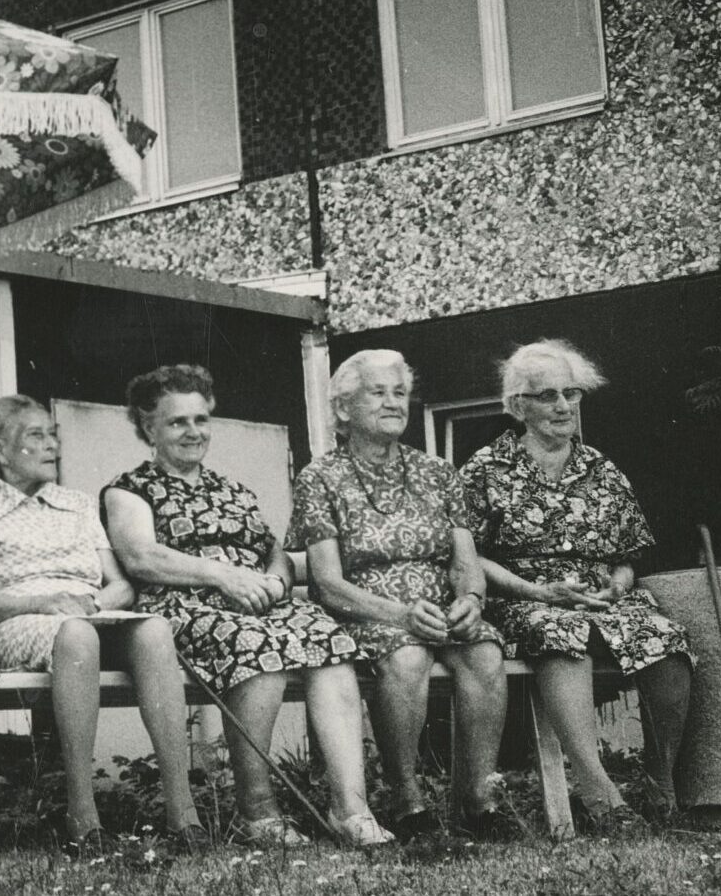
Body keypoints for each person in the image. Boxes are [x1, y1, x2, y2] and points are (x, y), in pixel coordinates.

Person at [102, 364, 391, 848]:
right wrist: (223, 574)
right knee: (257, 646)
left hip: (257, 600)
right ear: (148, 427)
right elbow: (141, 557)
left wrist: (277, 582)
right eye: (178, 422)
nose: (193, 432)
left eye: (201, 420)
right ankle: (255, 811)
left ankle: (350, 808)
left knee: (330, 642)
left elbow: (271, 549)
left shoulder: (231, 489)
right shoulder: (129, 490)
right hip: (185, 606)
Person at [0, 395, 203, 852]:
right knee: (77, 634)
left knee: (152, 630)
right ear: (0, 450)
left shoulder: (78, 504)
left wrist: (90, 602)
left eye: (54, 435)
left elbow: (121, 586)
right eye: (37, 436)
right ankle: (82, 814)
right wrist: (48, 603)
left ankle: (182, 812)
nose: (52, 446)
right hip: (21, 621)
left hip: (89, 613)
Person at [463, 338, 693, 832]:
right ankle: (600, 793)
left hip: (601, 597)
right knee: (559, 633)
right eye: (547, 395)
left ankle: (659, 787)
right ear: (517, 406)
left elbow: (629, 553)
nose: (563, 405)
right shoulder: (486, 469)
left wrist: (618, 582)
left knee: (667, 640)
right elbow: (468, 555)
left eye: (571, 393)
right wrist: (535, 590)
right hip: (524, 597)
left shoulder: (601, 469)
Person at [290, 351, 514, 841]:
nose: (393, 403)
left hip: (442, 609)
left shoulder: (438, 473)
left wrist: (472, 600)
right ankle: (406, 795)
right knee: (408, 657)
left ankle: (477, 796)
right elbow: (327, 583)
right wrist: (400, 614)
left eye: (400, 393)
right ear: (344, 409)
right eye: (378, 392)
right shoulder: (320, 477)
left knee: (485, 652)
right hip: (369, 611)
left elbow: (464, 559)